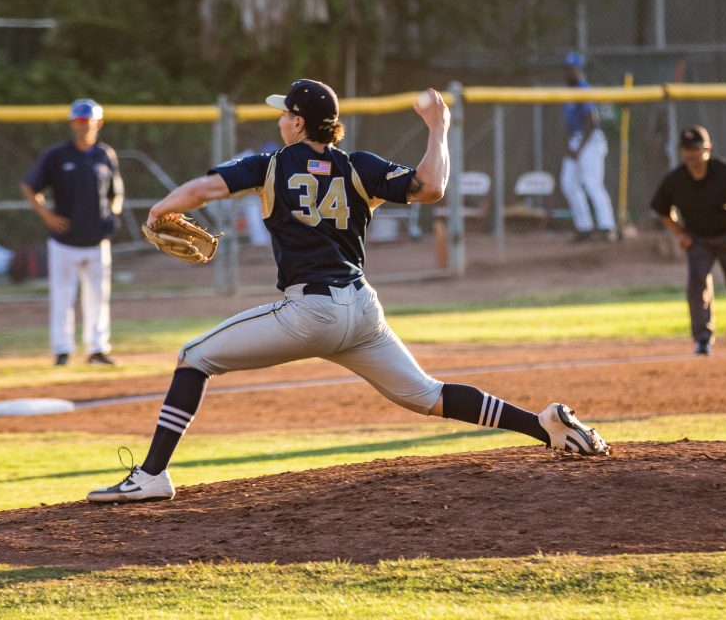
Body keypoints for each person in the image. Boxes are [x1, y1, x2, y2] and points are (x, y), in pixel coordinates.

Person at [86, 79, 609, 504]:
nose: (278, 121)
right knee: (426, 394)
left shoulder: (272, 164)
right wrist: (439, 128)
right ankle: (547, 428)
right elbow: (433, 187)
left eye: (283, 113)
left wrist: (159, 210)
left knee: (192, 356)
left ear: (296, 121)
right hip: (361, 311)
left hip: (309, 310)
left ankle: (152, 475)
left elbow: (202, 191)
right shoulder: (359, 166)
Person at [650, 125, 726, 356]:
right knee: (697, 286)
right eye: (686, 150)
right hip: (699, 238)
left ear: (707, 149)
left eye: (695, 149)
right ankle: (703, 340)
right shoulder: (675, 179)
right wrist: (680, 233)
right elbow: (661, 209)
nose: (690, 155)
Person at [20, 98, 124, 366]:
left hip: (96, 241)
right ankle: (62, 351)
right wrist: (47, 215)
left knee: (99, 297)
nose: (81, 126)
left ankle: (97, 349)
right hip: (64, 241)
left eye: (85, 121)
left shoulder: (105, 155)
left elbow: (117, 193)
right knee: (62, 297)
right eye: (76, 121)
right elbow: (29, 186)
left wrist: (112, 215)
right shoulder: (57, 155)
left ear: (97, 123)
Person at [559, 51, 617, 243]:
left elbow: (591, 121)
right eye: (567, 68)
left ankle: (607, 226)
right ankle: (584, 227)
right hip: (576, 139)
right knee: (568, 184)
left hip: (590, 140)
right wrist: (571, 145)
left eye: (573, 68)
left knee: (592, 183)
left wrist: (579, 147)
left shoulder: (583, 88)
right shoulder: (567, 91)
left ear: (580, 70)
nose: (569, 72)